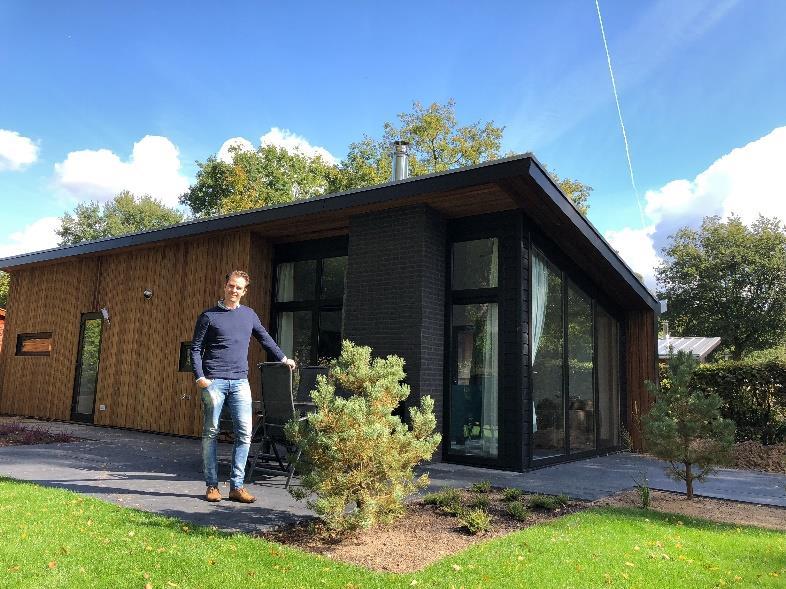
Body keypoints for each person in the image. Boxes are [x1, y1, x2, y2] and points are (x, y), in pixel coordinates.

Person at [191, 270, 295, 503]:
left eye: (238, 288)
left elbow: (265, 338)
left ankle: (237, 486)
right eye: (231, 286)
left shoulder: (249, 315)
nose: (234, 290)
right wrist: (200, 377)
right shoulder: (208, 316)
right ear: (225, 286)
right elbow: (195, 348)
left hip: (240, 382)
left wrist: (282, 358)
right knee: (211, 433)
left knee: (245, 434)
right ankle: (212, 486)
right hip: (214, 381)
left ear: (244, 291)